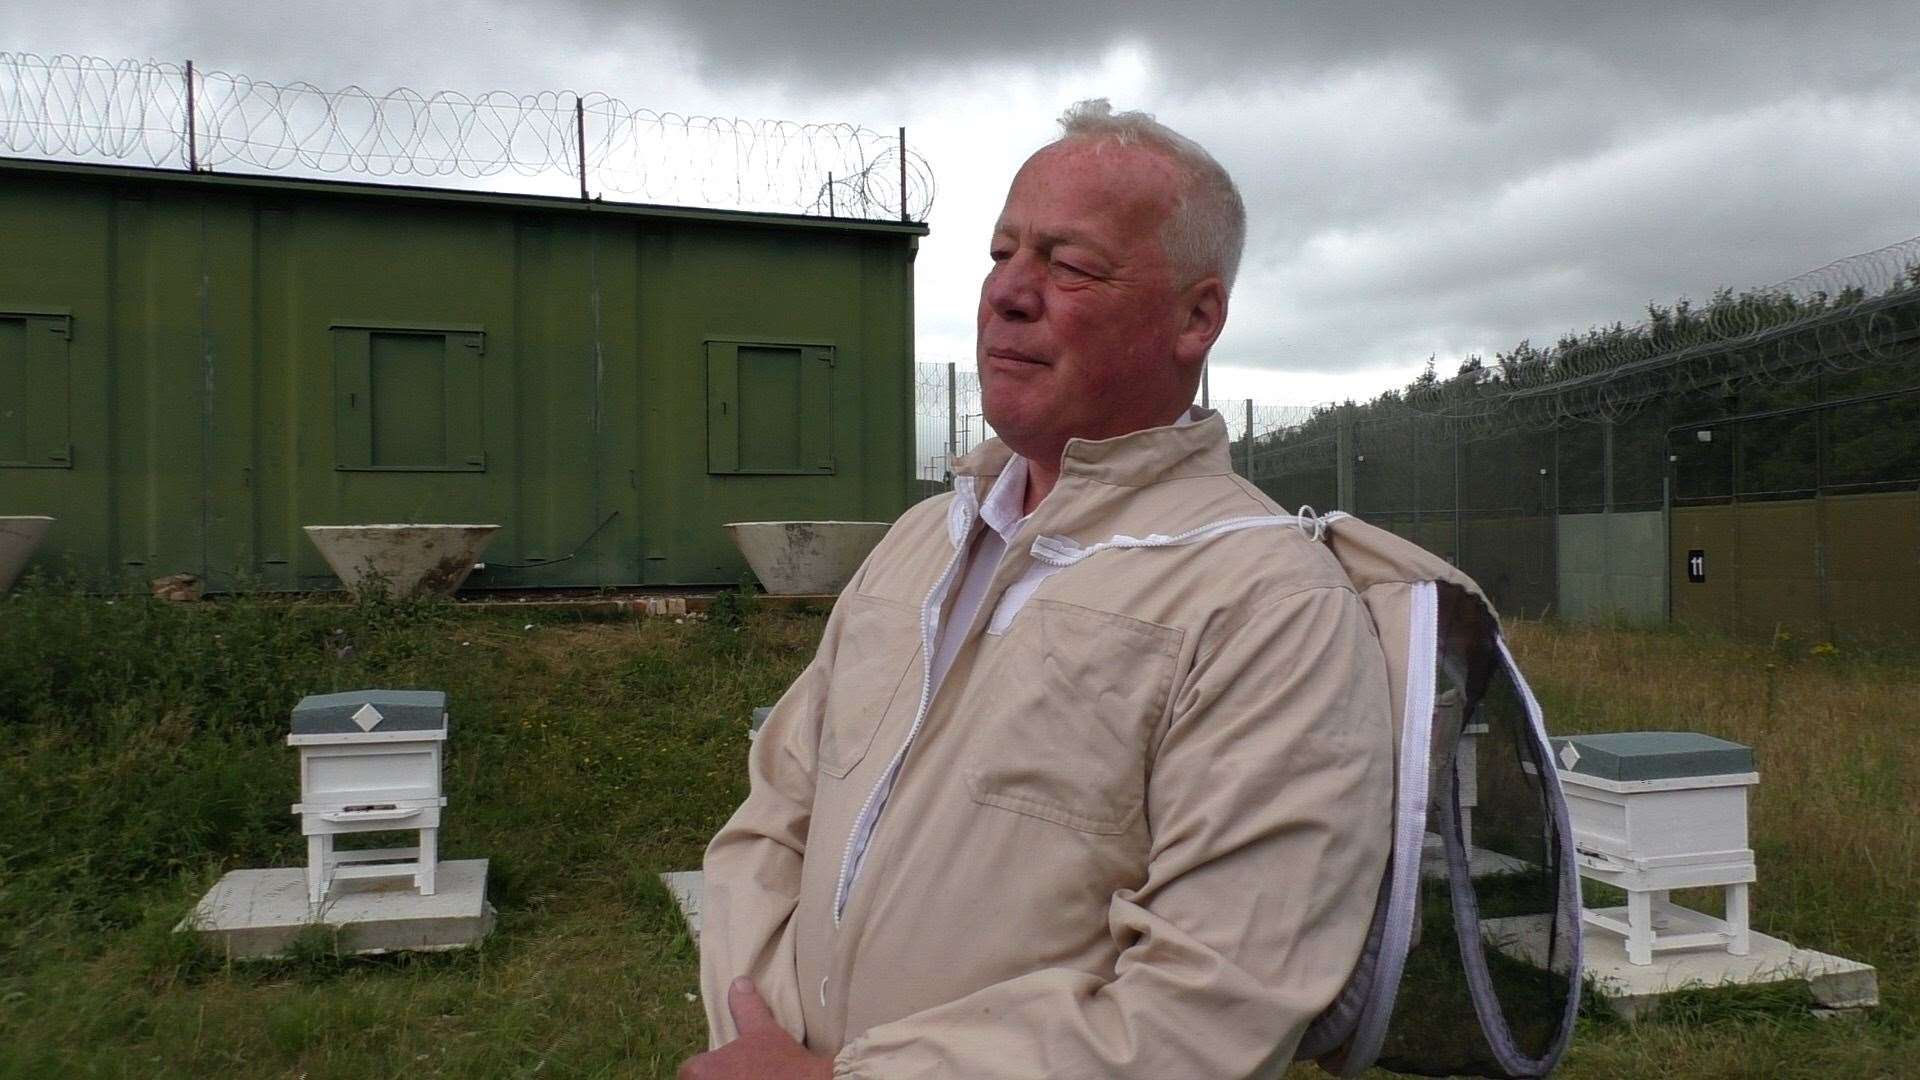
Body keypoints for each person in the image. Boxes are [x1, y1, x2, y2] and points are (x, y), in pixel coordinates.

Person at [680, 100, 1394, 1080]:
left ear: (1199, 316)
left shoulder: (1270, 603)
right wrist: (753, 1031)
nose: (1008, 294)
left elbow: (1214, 1005)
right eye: (1000, 253)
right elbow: (771, 823)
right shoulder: (917, 545)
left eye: (1070, 264)